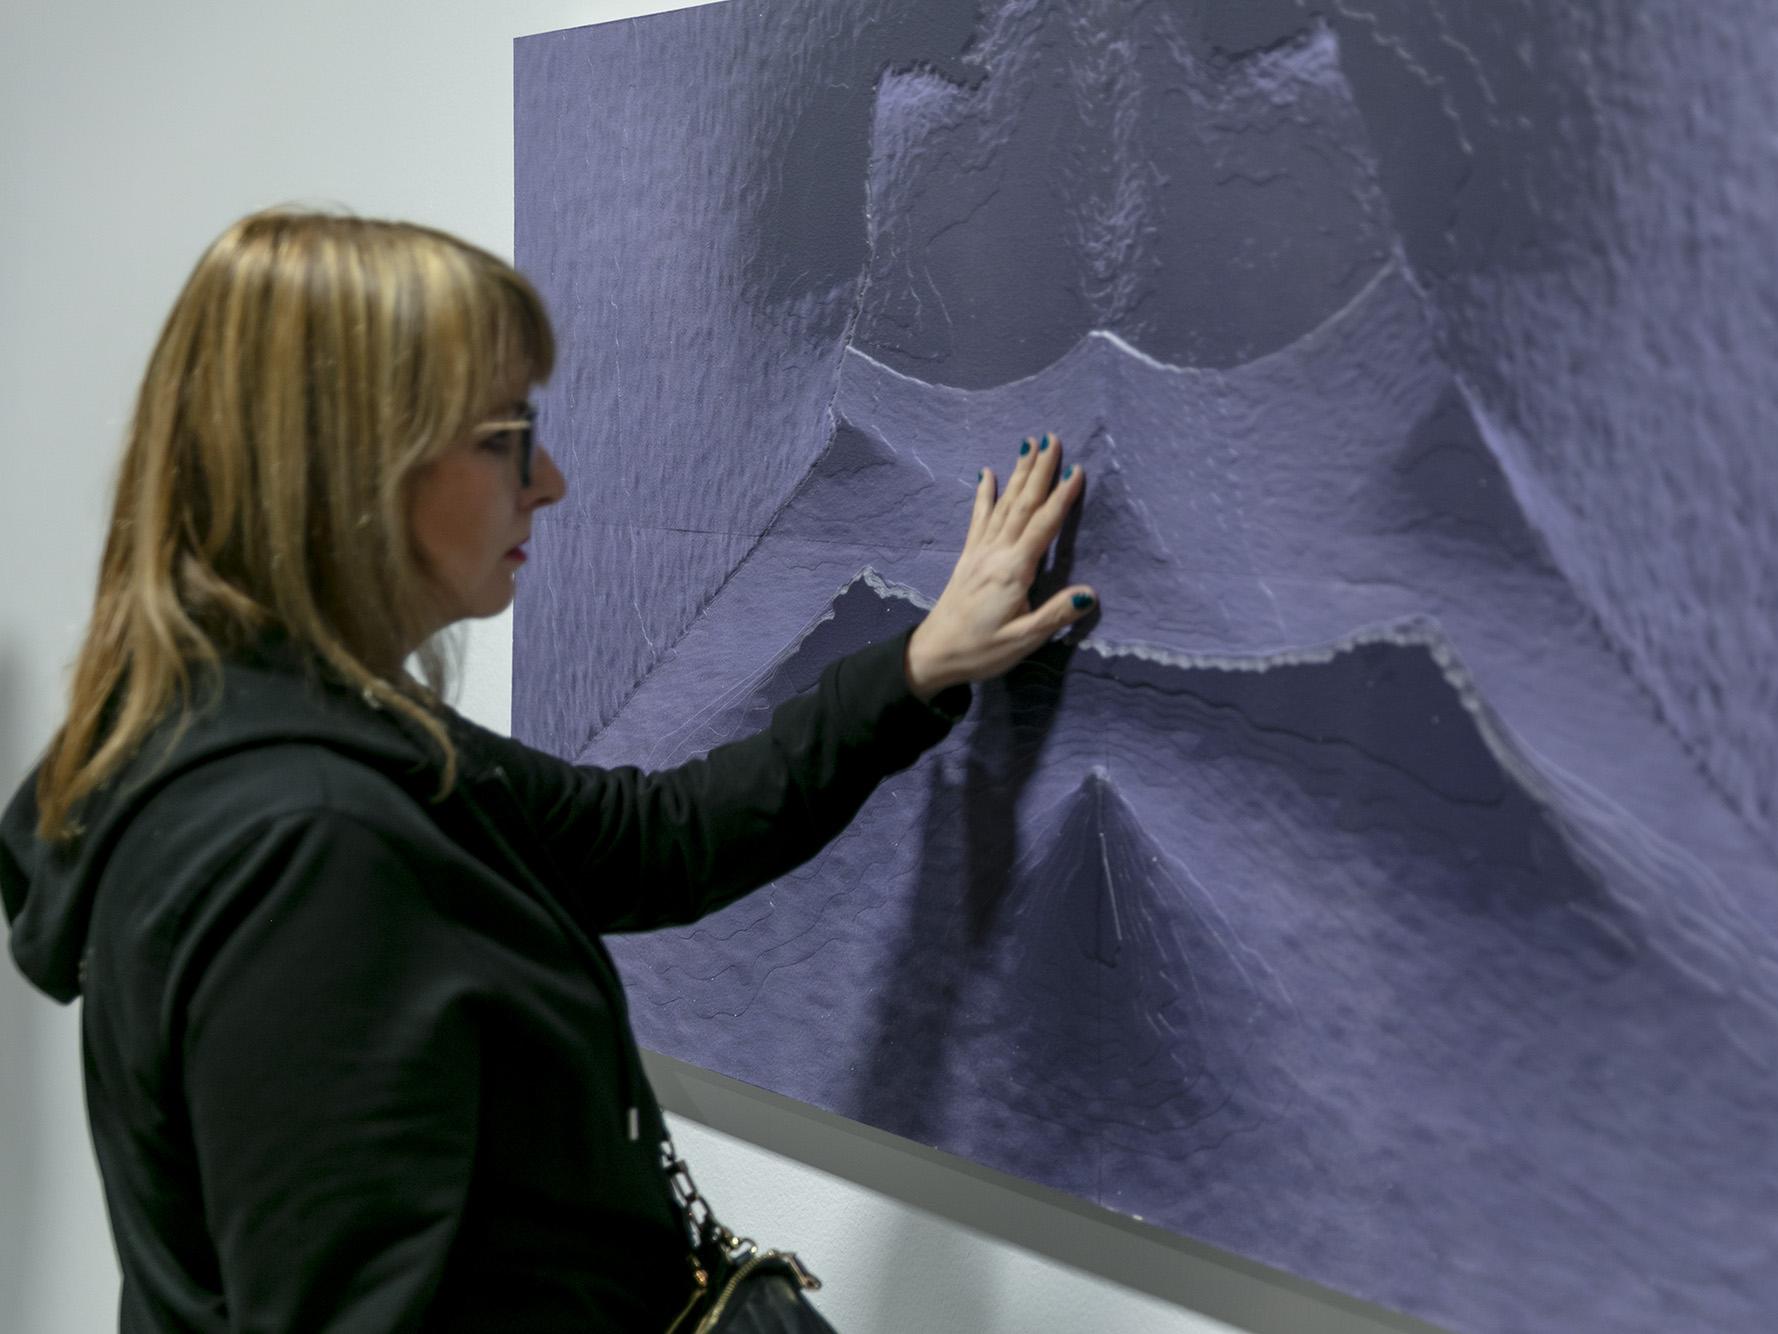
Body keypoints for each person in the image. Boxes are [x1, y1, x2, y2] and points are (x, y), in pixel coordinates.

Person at [0, 208, 1096, 1332]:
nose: (552, 480)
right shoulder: (310, 847)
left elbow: (652, 839)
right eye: (504, 437)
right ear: (350, 467)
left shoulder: (267, 729)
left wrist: (915, 667)